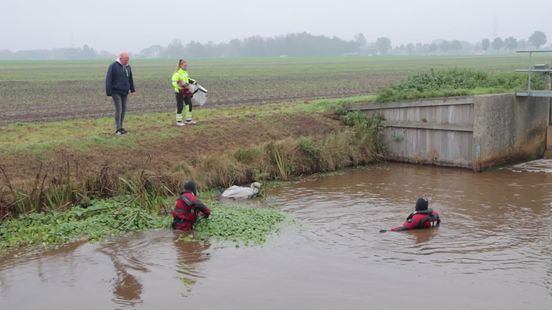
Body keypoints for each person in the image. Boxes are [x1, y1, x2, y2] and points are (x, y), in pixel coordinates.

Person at [105, 52, 136, 135]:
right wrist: (108, 91)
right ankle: (118, 129)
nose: (127, 61)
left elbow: (130, 79)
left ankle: (121, 127)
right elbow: (108, 79)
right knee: (119, 109)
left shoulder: (128, 67)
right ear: (121, 58)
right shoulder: (113, 66)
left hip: (125, 92)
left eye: (128, 59)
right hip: (115, 92)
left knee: (123, 109)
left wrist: (132, 89)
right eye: (126, 59)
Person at [171, 59, 197, 126]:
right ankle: (178, 121)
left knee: (189, 105)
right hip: (179, 92)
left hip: (186, 92)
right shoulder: (177, 74)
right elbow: (174, 83)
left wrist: (193, 81)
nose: (186, 67)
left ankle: (188, 120)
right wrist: (181, 87)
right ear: (180, 65)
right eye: (185, 66)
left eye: (186, 66)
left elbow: (187, 80)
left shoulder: (185, 73)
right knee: (180, 106)